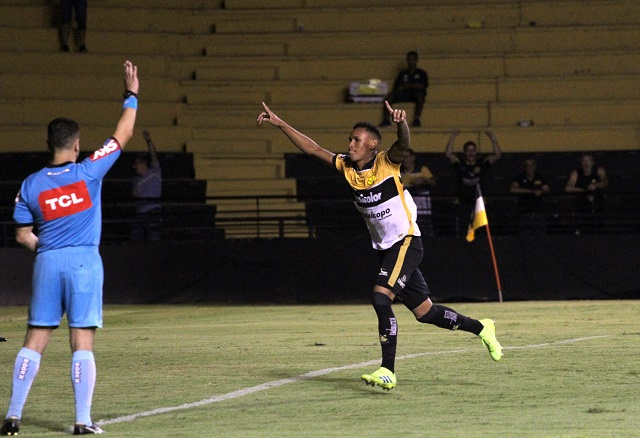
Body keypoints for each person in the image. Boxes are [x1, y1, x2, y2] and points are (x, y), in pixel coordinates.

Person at [257, 100, 502, 391]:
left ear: (373, 144)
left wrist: (401, 122)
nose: (350, 144)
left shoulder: (388, 161)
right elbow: (312, 148)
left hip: (406, 241)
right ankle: (482, 327)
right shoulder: (346, 167)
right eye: (350, 139)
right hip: (385, 248)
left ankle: (388, 370)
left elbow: (403, 142)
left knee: (380, 297)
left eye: (356, 140)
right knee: (426, 312)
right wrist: (281, 123)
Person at [1, 61, 139, 436]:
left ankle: (13, 416)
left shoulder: (30, 185)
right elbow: (123, 134)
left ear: (50, 144)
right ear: (77, 144)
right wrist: (132, 94)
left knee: (35, 339)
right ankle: (81, 421)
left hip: (47, 262)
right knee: (82, 341)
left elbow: (21, 235)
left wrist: (48, 249)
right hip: (83, 263)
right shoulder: (88, 170)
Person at [445, 129, 502, 238]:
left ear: (476, 152)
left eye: (473, 150)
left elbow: (497, 155)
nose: (471, 153)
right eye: (468, 150)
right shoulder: (459, 163)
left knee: (479, 232)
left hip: (478, 204)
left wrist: (492, 138)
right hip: (463, 203)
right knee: (464, 231)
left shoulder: (482, 163)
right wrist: (452, 137)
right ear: (464, 152)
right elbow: (448, 154)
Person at [380, 51, 428, 128]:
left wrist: (409, 85)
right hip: (404, 94)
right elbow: (397, 87)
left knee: (420, 96)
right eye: (409, 59)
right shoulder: (402, 74)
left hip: (415, 95)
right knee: (389, 96)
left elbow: (422, 86)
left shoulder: (422, 73)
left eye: (413, 59)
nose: (410, 62)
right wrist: (410, 86)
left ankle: (417, 119)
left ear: (416, 60)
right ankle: (386, 120)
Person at [565, 153, 608, 234]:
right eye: (584, 161)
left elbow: (605, 182)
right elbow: (568, 188)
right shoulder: (576, 173)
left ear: (592, 162)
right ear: (581, 163)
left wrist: (596, 185)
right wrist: (585, 190)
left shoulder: (599, 170)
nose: (586, 164)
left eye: (588, 161)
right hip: (582, 207)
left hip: (597, 205)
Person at [131, 129, 162, 243]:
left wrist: (148, 141)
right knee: (136, 240)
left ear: (143, 163)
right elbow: (134, 195)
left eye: (137, 164)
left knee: (153, 239)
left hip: (153, 211)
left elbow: (154, 157)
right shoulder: (136, 180)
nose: (135, 167)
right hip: (140, 213)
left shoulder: (155, 171)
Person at [401, 148, 436, 237]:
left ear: (413, 157)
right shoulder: (399, 171)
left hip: (421, 203)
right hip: (406, 204)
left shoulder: (421, 169)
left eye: (407, 157)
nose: (405, 160)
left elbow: (433, 183)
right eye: (403, 157)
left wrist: (423, 180)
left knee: (424, 224)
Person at [510, 158, 550, 236]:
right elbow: (512, 189)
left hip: (538, 213)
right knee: (525, 238)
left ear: (535, 166)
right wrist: (530, 191)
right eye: (527, 166)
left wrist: (540, 191)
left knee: (541, 237)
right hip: (524, 213)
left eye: (531, 165)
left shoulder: (539, 176)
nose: (529, 168)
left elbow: (547, 189)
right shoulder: (520, 177)